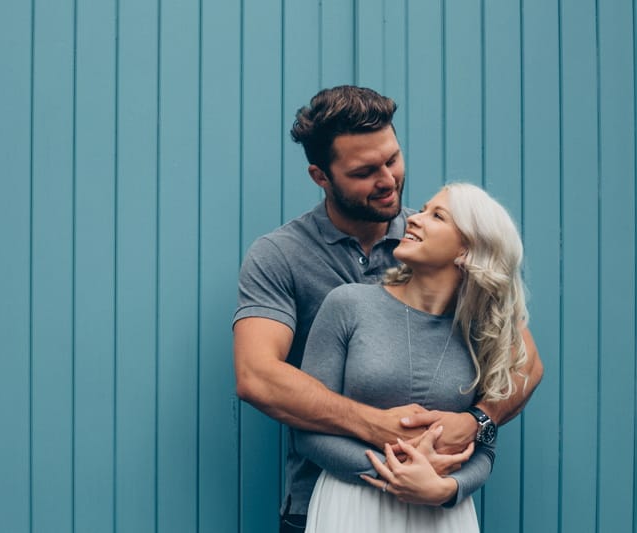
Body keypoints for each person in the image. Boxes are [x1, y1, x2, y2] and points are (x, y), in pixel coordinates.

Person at [232, 85, 543, 532]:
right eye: (364, 171)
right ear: (321, 176)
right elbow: (257, 374)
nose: (388, 179)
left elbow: (523, 362)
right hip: (324, 502)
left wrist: (477, 423)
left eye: (392, 159)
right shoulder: (280, 255)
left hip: (436, 504)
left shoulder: (441, 243)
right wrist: (383, 430)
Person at [295, 182, 527, 532]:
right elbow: (307, 431)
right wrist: (396, 475)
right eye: (421, 210)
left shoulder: (483, 331)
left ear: (466, 249)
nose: (414, 220)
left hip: (443, 511)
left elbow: (484, 445)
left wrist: (447, 488)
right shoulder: (348, 304)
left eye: (437, 216)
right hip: (353, 505)